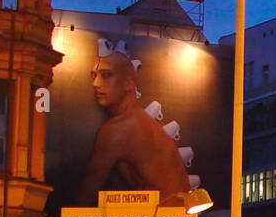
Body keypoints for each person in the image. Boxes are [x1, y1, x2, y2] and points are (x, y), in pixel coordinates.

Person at [75, 42, 195, 205]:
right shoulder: (141, 122)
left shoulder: (117, 131)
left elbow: (84, 198)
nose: (95, 84)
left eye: (106, 75)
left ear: (128, 83)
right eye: (93, 76)